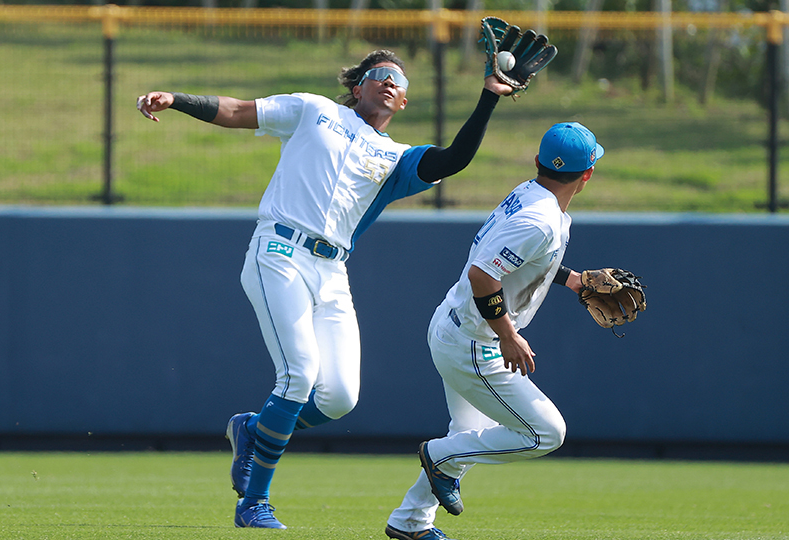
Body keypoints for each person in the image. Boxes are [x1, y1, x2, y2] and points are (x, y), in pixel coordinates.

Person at [136, 50, 515, 529]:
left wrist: (488, 97)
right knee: (298, 376)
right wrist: (177, 100)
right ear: (358, 87)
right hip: (279, 249)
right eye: (380, 76)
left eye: (400, 82)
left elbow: (454, 158)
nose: (390, 84)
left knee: (339, 397)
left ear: (402, 103)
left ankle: (253, 430)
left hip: (333, 270)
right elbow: (236, 110)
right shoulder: (314, 109)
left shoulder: (396, 158)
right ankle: (254, 502)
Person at [384, 122, 606, 540]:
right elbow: (483, 275)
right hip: (475, 341)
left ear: (538, 161)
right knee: (545, 432)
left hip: (454, 327)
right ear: (588, 174)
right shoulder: (540, 219)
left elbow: (522, 262)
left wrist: (573, 279)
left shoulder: (531, 194)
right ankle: (436, 458)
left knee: (469, 436)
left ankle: (410, 522)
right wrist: (507, 334)